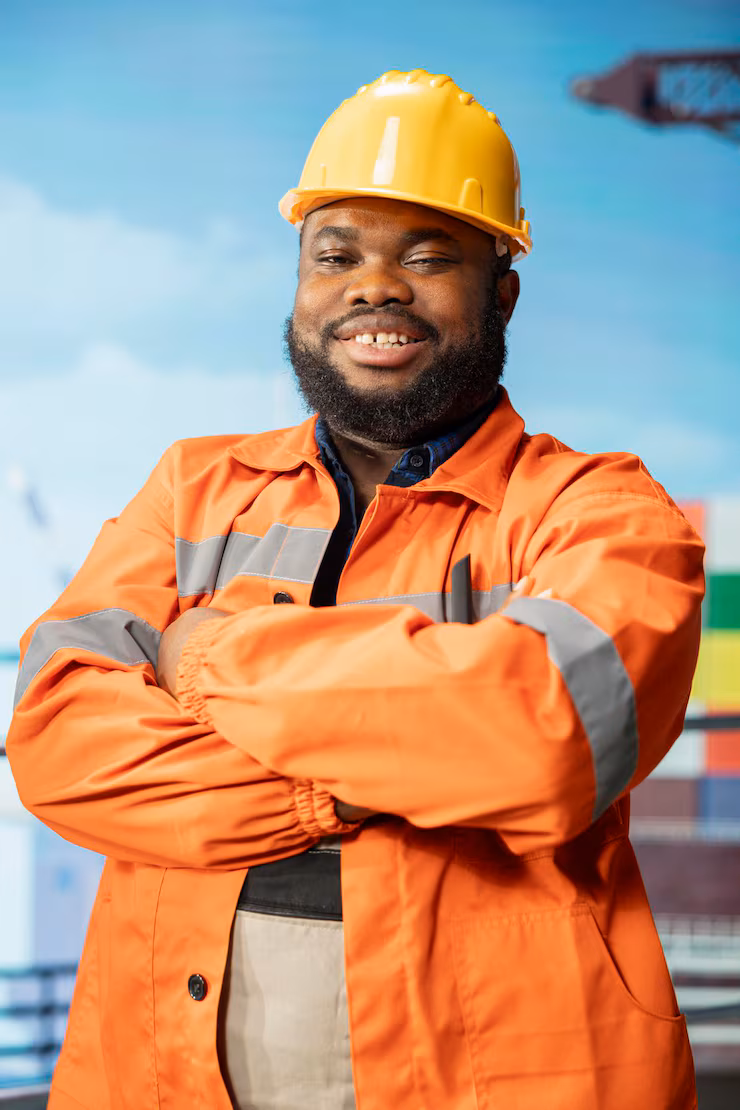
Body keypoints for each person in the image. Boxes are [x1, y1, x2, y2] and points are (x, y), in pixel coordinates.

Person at [7, 69, 704, 1110]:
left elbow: (544, 736)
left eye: (426, 256)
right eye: (335, 256)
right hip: (158, 1077)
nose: (375, 288)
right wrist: (358, 781)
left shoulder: (601, 512)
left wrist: (203, 654)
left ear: (502, 294)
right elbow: (57, 739)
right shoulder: (193, 487)